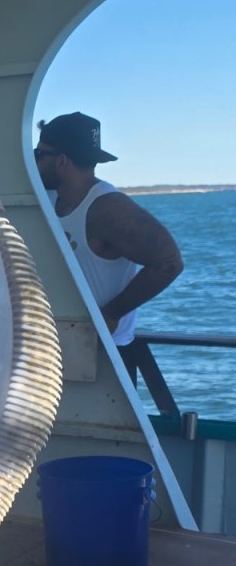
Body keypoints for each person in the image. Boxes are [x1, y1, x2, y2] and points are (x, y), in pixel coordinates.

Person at [33, 111, 184, 371]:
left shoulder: (106, 207)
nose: (33, 162)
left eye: (39, 155)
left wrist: (111, 313)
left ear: (62, 161)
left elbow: (169, 262)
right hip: (58, 349)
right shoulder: (49, 198)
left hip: (106, 354)